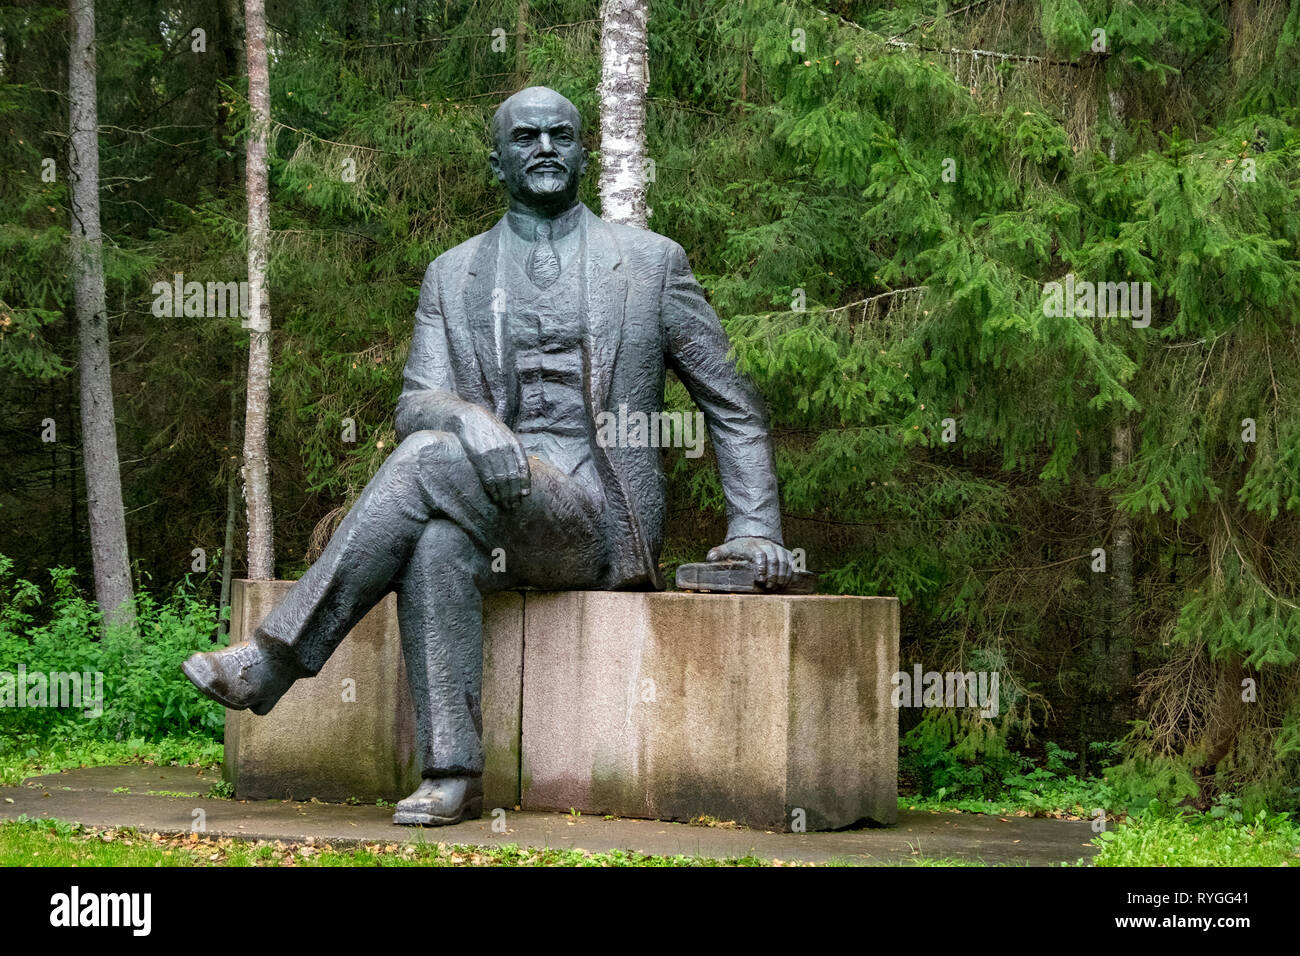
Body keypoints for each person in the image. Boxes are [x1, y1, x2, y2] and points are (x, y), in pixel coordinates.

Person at [183, 86, 794, 826]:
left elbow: (731, 400)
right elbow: (418, 402)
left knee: (426, 461)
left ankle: (275, 661)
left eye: (561, 135)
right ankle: (453, 773)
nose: (545, 148)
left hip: (596, 521)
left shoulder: (649, 263)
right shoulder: (453, 273)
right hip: (492, 515)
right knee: (436, 543)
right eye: (527, 137)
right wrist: (473, 423)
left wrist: (756, 527)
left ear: (583, 152)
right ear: (496, 159)